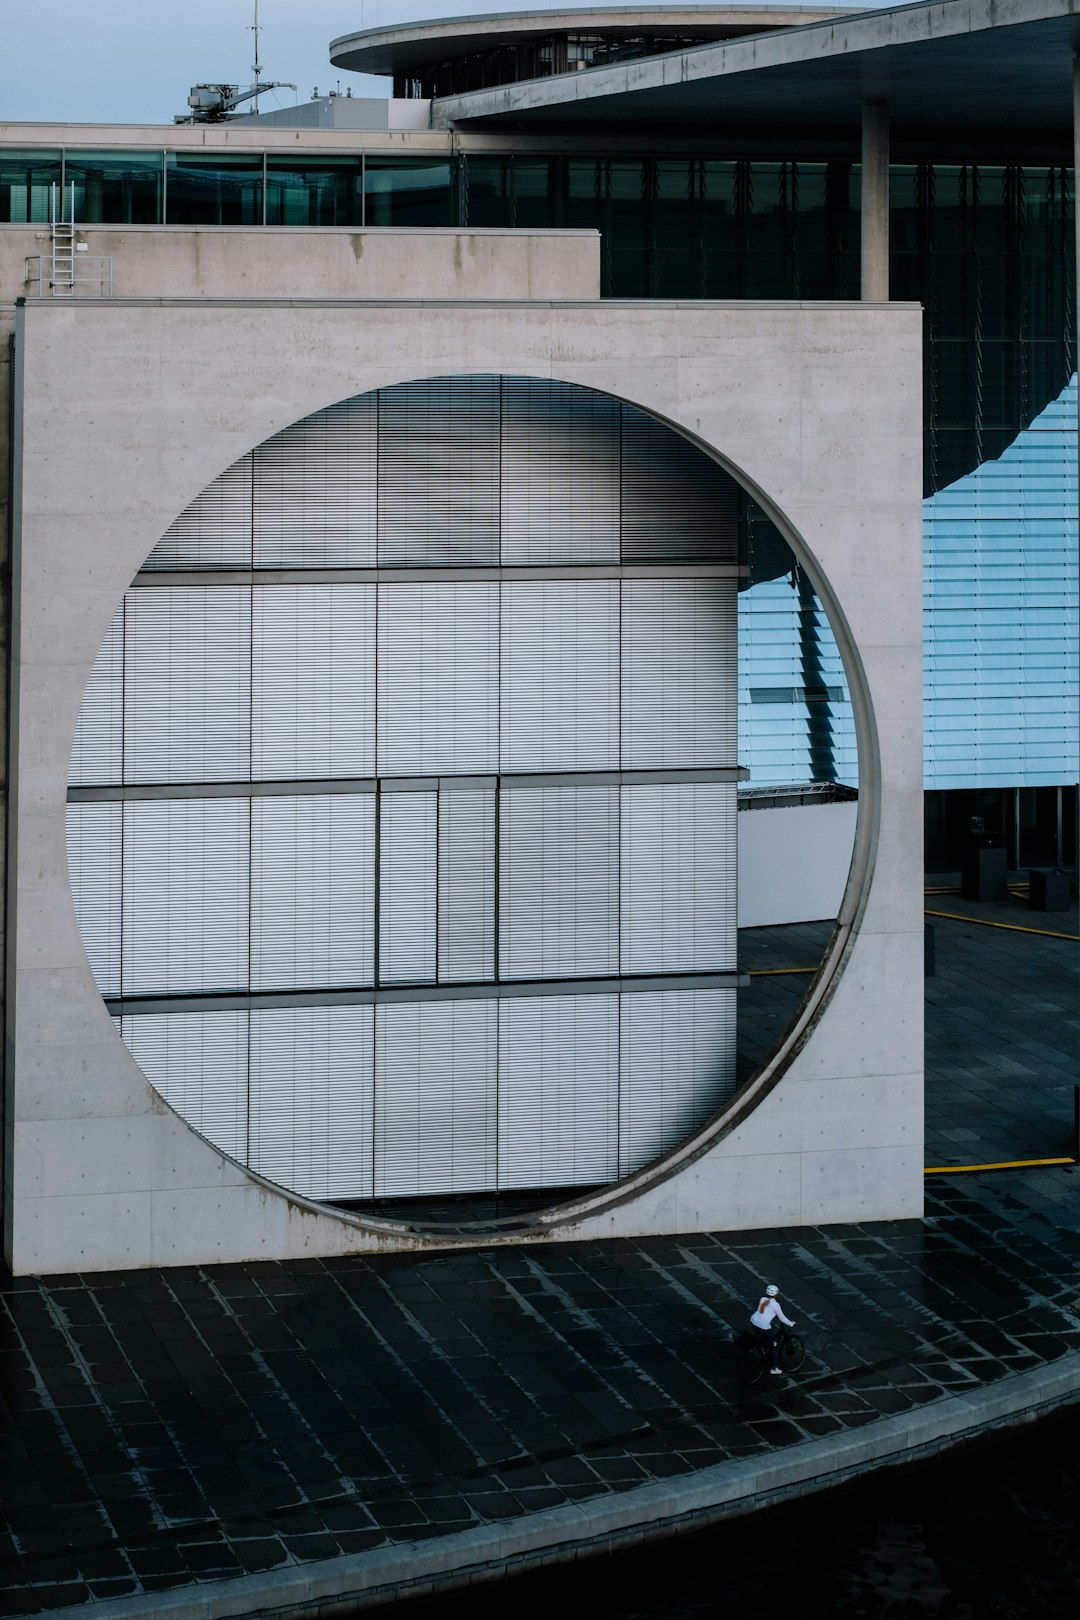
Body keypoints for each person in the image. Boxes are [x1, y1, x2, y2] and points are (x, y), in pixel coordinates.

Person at [750, 1283, 796, 1374]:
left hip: (754, 1322)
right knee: (771, 1348)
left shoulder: (762, 1299)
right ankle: (773, 1369)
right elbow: (782, 1318)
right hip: (763, 1327)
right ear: (776, 1294)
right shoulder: (776, 1305)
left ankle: (763, 1346)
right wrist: (791, 1323)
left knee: (766, 1337)